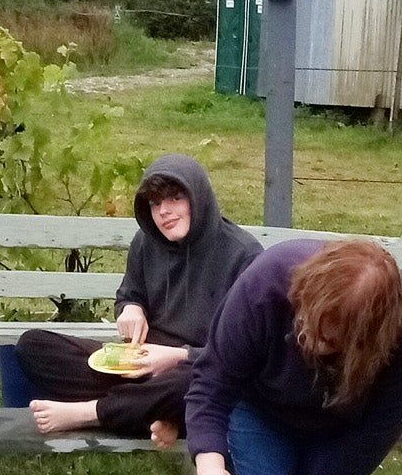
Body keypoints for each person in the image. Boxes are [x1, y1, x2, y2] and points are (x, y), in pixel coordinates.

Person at [183, 238, 402, 475]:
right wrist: (208, 462)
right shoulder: (266, 283)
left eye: (328, 342)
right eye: (304, 324)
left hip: (344, 428)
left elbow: (383, 423)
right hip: (260, 411)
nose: (310, 342)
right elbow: (213, 379)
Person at [16, 155, 260, 445]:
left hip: (194, 367)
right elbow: (129, 294)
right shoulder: (146, 242)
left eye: (175, 199)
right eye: (156, 204)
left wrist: (176, 356)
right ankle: (163, 417)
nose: (164, 212)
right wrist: (132, 308)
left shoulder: (243, 255)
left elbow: (244, 354)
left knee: (192, 384)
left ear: (199, 197)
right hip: (139, 364)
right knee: (33, 346)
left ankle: (92, 413)